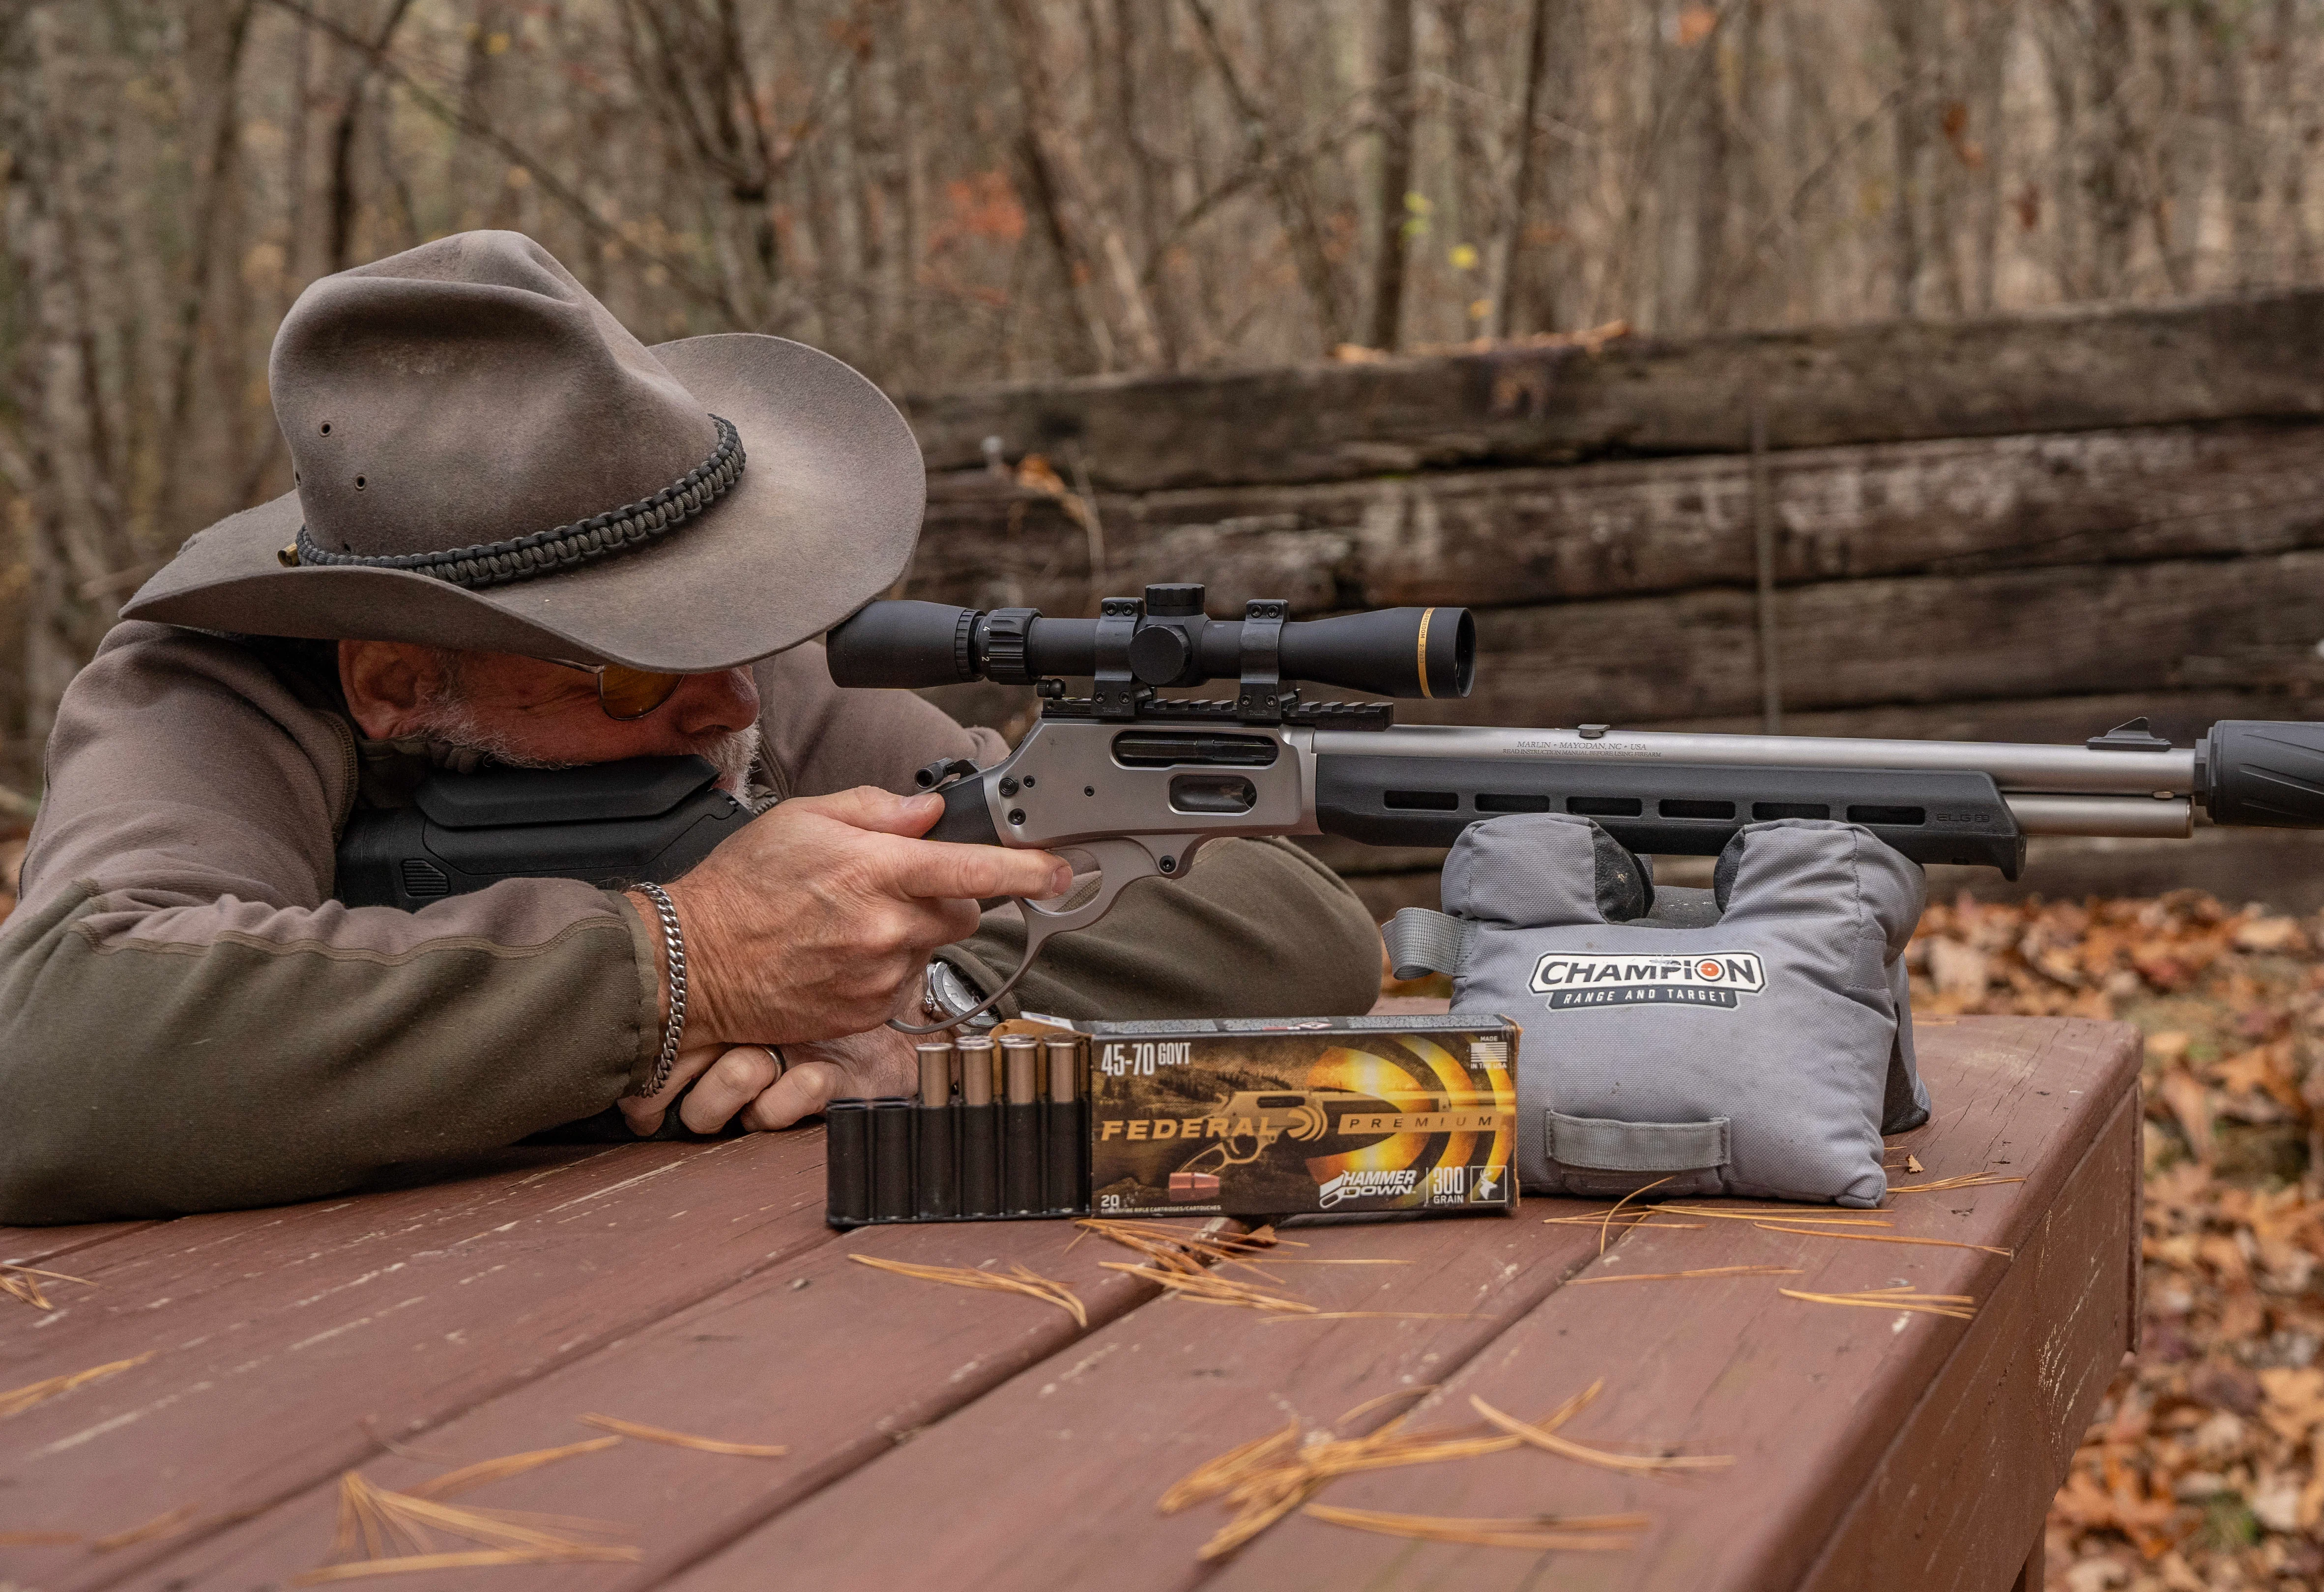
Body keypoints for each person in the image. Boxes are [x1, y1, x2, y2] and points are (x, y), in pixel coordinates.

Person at [0, 233, 1383, 1225]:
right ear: (396, 683)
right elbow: (58, 1051)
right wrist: (686, 972)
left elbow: (1283, 928)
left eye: (719, 623)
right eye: (625, 671)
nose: (725, 702)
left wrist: (898, 991)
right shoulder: (213, 693)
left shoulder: (756, 680)